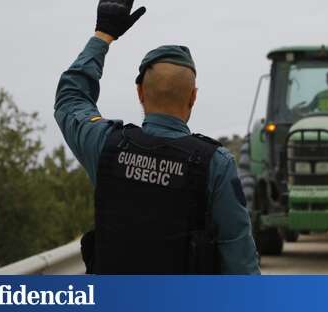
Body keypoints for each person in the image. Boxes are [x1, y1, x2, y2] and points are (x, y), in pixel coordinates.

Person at [54, 0, 260, 275]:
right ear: (193, 97)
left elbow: (70, 101)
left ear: (140, 92)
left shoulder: (105, 145)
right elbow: (239, 258)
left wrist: (103, 35)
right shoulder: (216, 164)